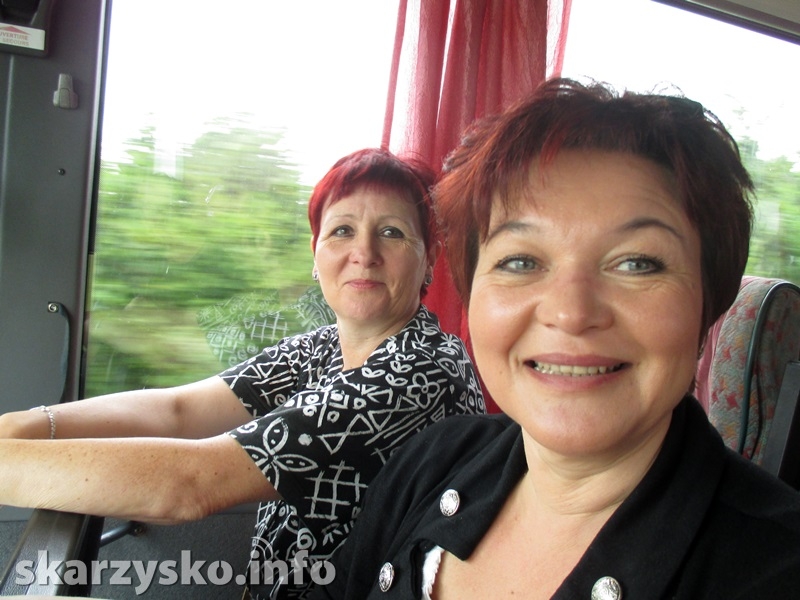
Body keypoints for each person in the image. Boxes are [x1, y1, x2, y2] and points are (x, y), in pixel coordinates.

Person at [308, 79, 800, 599]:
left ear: (707, 298)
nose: (570, 313)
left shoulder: (777, 569)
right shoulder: (433, 460)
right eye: (520, 261)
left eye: (637, 263)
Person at [0, 148, 485, 599]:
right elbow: (177, 409)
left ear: (429, 260)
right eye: (342, 231)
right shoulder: (321, 348)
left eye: (392, 233)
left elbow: (189, 486)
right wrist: (29, 424)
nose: (364, 252)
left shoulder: (422, 371)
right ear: (315, 254)